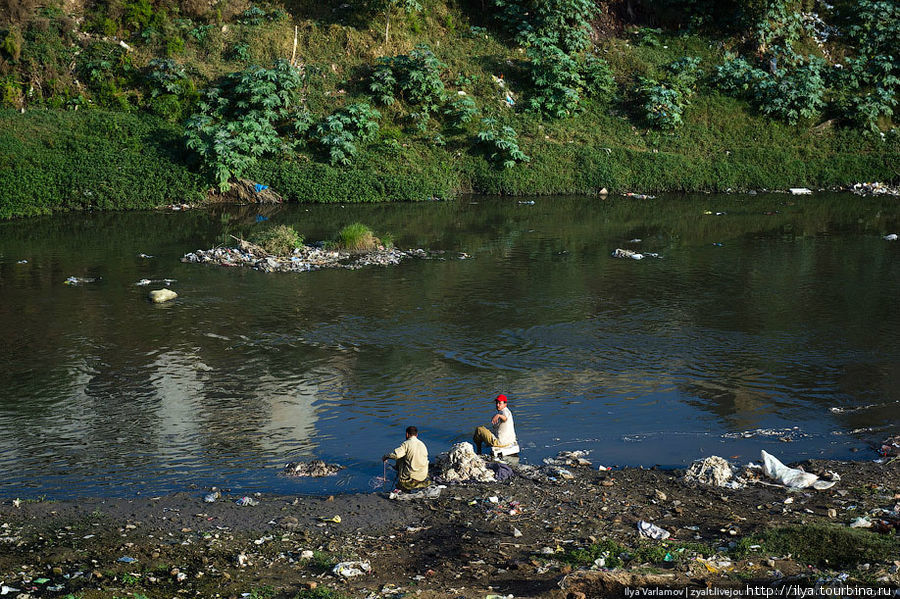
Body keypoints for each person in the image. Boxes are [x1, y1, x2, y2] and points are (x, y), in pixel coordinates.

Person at [382, 425, 430, 492]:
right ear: (417, 435)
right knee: (406, 456)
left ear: (407, 434)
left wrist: (386, 456)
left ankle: (402, 487)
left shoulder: (406, 444)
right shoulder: (422, 444)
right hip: (423, 476)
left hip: (412, 478)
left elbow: (396, 455)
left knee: (401, 458)